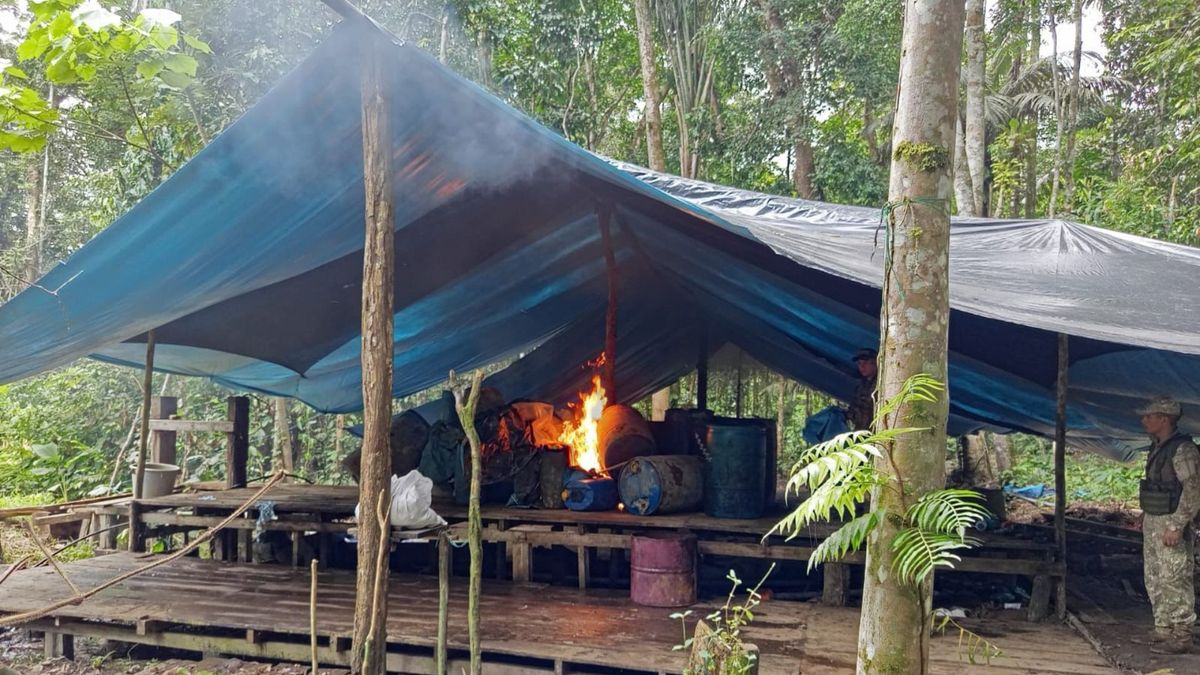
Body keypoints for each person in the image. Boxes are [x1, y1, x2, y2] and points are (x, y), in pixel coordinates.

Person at [1137, 396, 1200, 654]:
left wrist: (1176, 524)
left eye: (1149, 416)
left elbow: (1193, 489)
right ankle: (1163, 627)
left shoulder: (1183, 450)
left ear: (1164, 419)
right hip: (1155, 518)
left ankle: (1182, 634)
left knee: (1174, 577)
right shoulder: (1158, 447)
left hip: (1171, 519)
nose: (1144, 420)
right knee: (1154, 575)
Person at [846, 348, 878, 431]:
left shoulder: (881, 384)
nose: (862, 367)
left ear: (875, 363)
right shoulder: (861, 385)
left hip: (875, 431)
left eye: (865, 363)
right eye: (859, 363)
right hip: (860, 431)